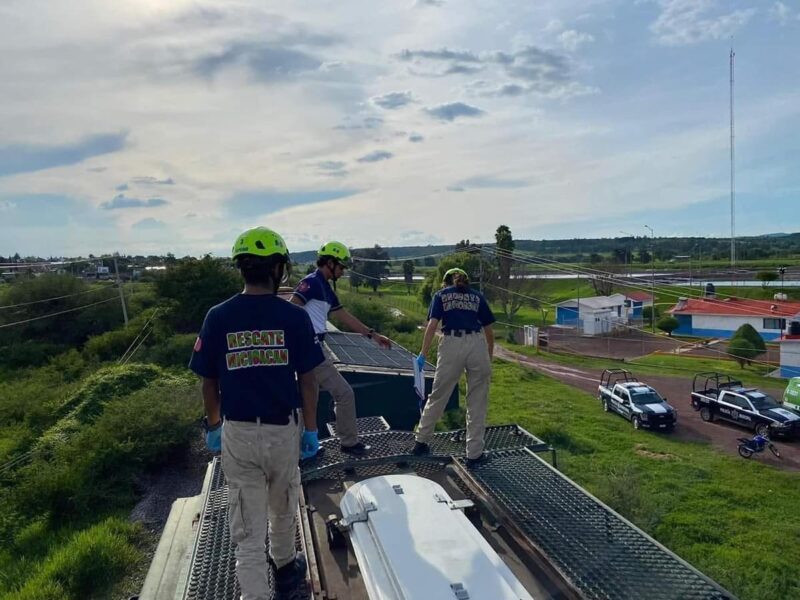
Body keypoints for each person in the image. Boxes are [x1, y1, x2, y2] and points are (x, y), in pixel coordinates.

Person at [189, 227, 324, 600]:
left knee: (248, 529)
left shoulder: (218, 316)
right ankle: (284, 570)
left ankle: (260, 590)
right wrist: (311, 429)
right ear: (278, 269)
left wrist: (213, 425)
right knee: (282, 506)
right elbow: (309, 380)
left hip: (239, 434)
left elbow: (208, 382)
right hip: (283, 431)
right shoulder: (294, 318)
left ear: (242, 270)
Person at [291, 241, 392, 456]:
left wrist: (372, 335)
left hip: (315, 347)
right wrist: (303, 338)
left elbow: (344, 316)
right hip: (312, 348)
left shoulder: (326, 288)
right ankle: (348, 442)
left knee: (309, 400)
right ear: (329, 263)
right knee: (344, 394)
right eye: (341, 266)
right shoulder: (311, 283)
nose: (343, 270)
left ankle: (302, 449)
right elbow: (292, 307)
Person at [413, 268, 495, 466]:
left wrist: (423, 353)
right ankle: (474, 454)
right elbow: (489, 331)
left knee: (439, 395)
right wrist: (488, 357)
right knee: (477, 401)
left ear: (445, 282)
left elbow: (432, 326)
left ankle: (421, 442)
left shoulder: (441, 296)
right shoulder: (477, 296)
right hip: (476, 345)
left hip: (451, 343)